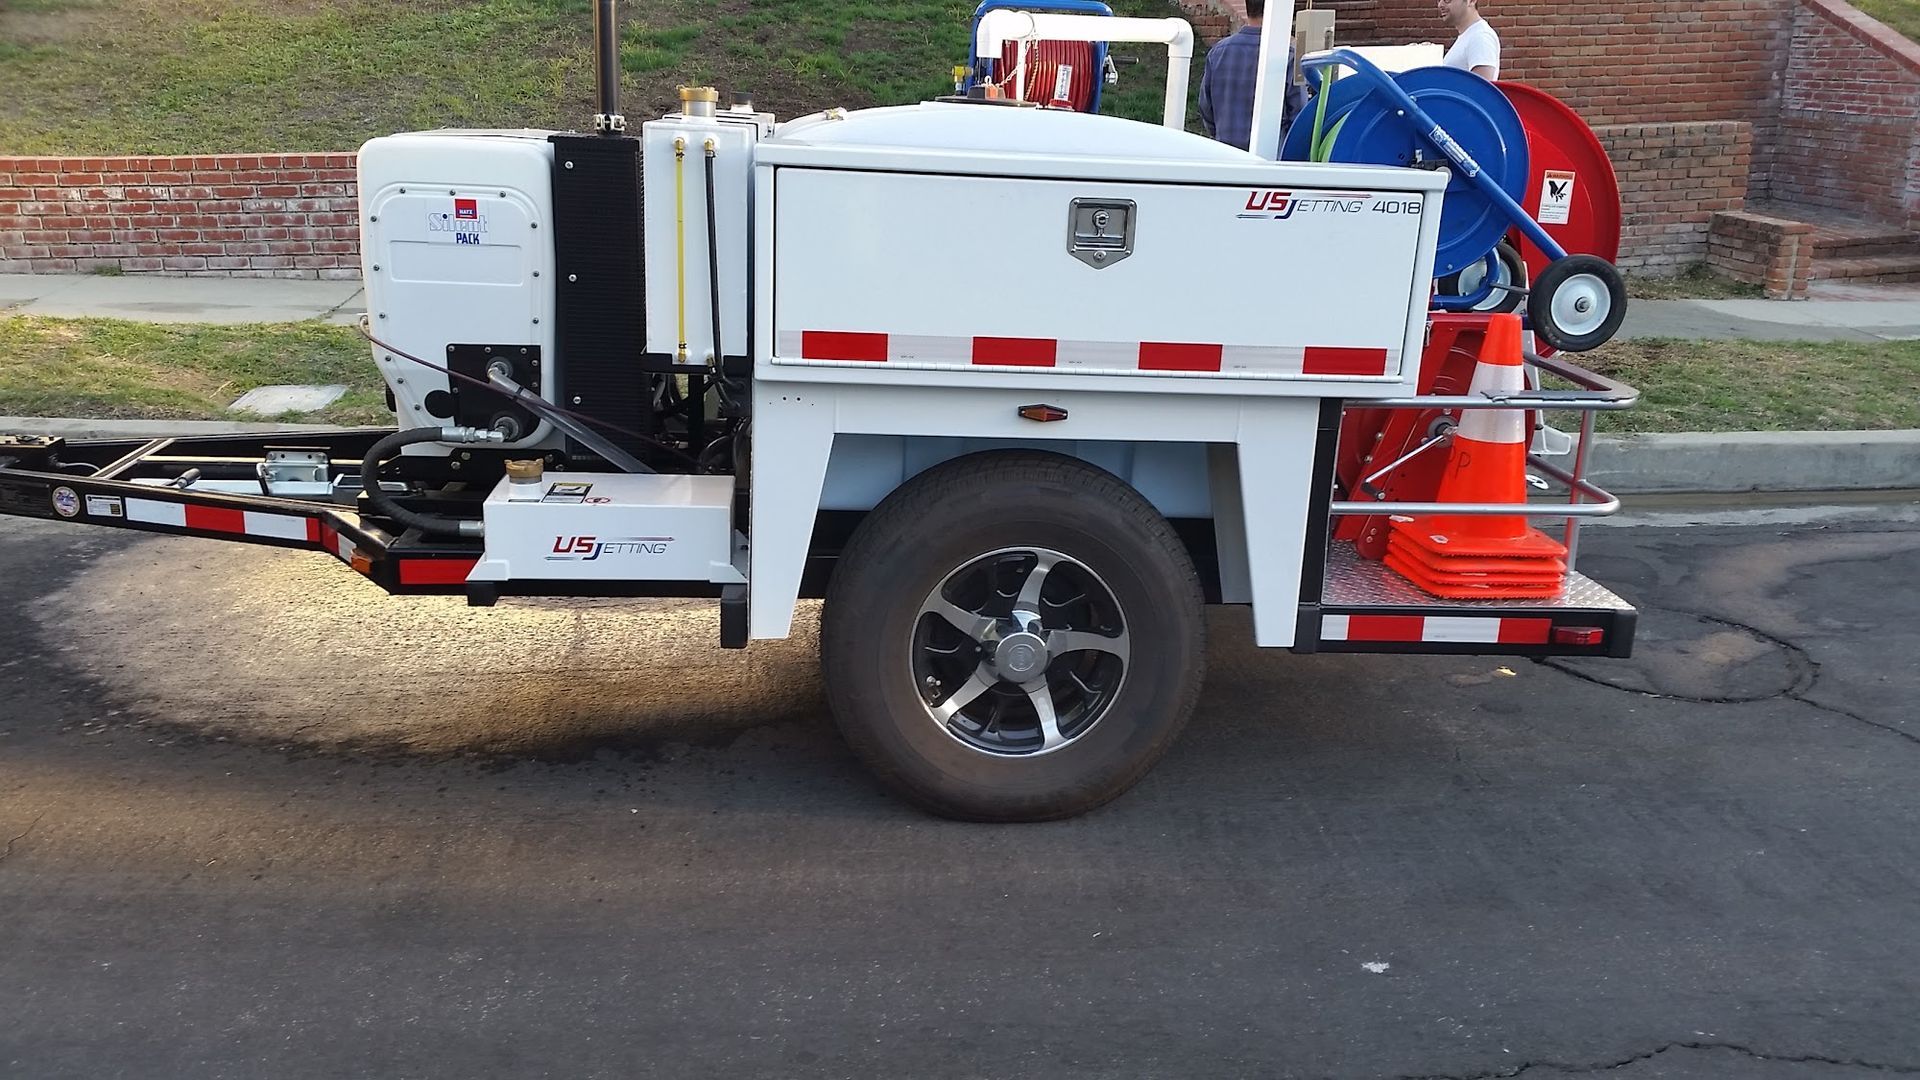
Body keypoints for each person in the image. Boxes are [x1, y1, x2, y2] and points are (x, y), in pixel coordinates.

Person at [1197, 0, 1308, 152]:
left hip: (1225, 155)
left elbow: (1206, 107)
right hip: (1268, 158)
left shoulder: (1218, 52)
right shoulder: (1286, 56)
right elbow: (1299, 115)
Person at [1438, 0, 1500, 79]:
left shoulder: (1480, 36)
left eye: (1447, 0)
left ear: (1471, 1)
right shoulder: (1470, 35)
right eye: (1439, 0)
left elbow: (1481, 88)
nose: (1440, 5)